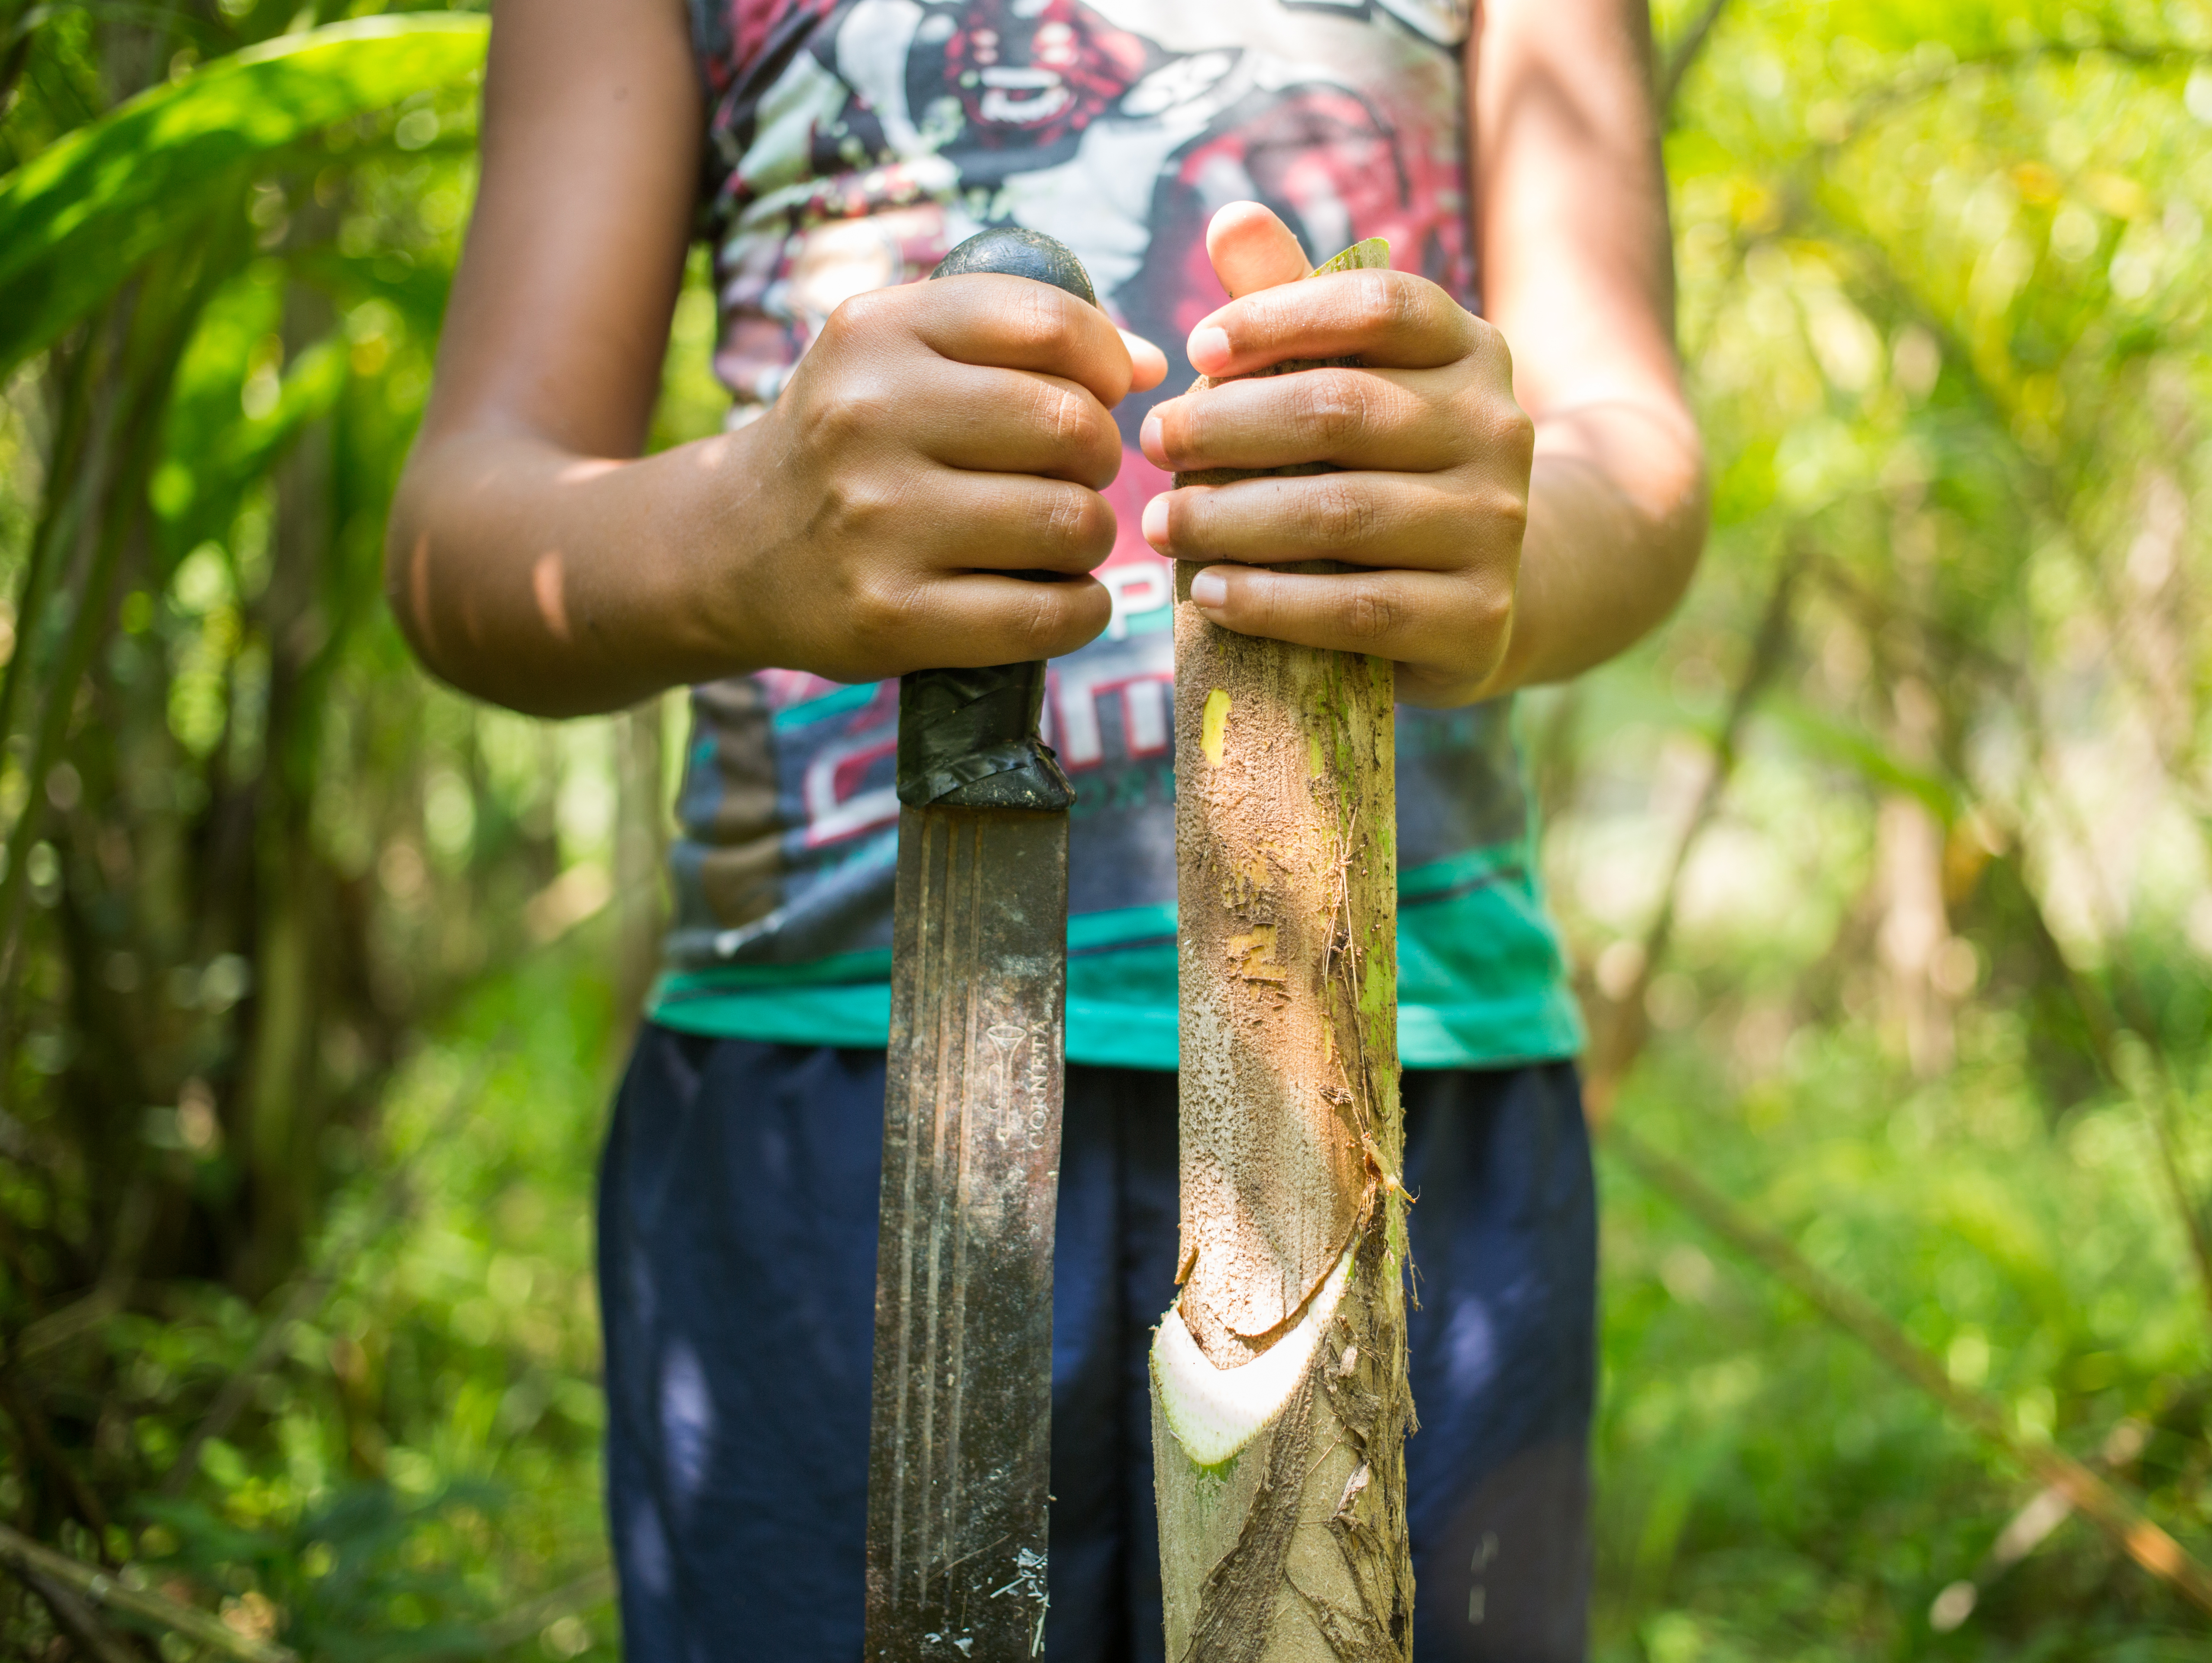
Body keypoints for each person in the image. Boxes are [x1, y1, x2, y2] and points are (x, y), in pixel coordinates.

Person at [386, 0, 1705, 1653]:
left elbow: (1631, 451)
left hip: (1399, 1081)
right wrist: (743, 526)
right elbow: (469, 521)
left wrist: (1486, 553)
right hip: (820, 1103)